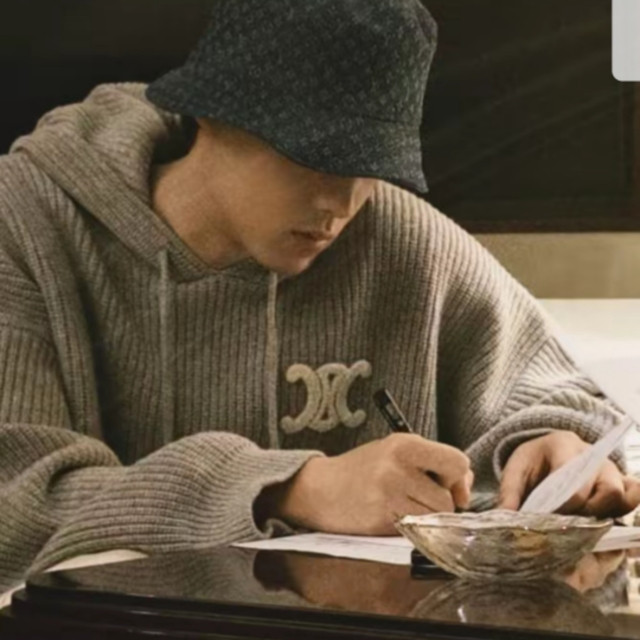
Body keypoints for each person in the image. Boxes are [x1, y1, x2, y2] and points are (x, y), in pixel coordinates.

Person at [0, 0, 638, 591]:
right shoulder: (27, 223)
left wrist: (556, 446)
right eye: (312, 158)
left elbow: (566, 403)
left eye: (371, 167)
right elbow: (15, 510)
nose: (341, 203)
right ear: (209, 113)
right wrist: (292, 489)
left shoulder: (398, 235)